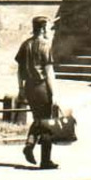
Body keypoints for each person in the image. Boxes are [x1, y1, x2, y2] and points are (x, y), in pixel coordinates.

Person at [15, 15, 59, 169]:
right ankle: (45, 160)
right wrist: (54, 94)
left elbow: (19, 70)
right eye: (47, 27)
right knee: (46, 124)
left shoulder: (25, 44)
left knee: (38, 119)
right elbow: (49, 72)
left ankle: (29, 144)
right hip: (41, 87)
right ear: (43, 28)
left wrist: (21, 88)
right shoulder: (45, 45)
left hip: (29, 87)